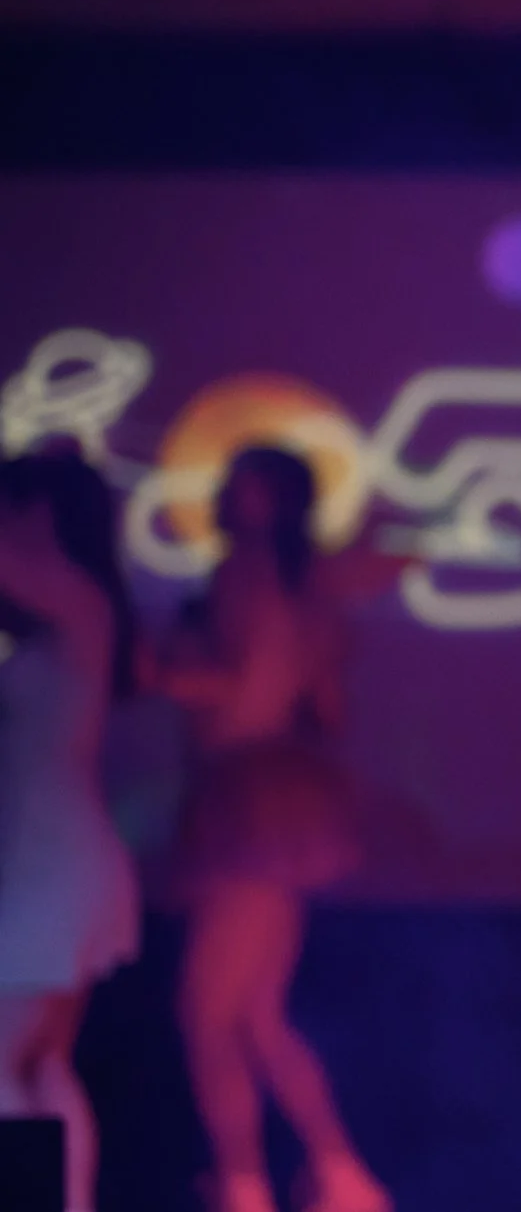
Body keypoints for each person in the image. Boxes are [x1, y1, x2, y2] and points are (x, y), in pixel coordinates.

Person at [144, 447, 393, 1212]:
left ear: (269, 501)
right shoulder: (306, 584)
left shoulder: (242, 570)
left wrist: (153, 672)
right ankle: (338, 1174)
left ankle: (246, 1183)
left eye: (240, 484)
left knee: (209, 1015)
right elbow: (329, 707)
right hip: (277, 795)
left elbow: (234, 678)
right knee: (255, 1016)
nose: (223, 492)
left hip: (246, 796)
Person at [0, 452, 142, 1212]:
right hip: (60, 853)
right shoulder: (75, 601)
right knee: (46, 1063)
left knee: (8, 1066)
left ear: (41, 510)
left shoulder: (71, 593)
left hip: (52, 858)